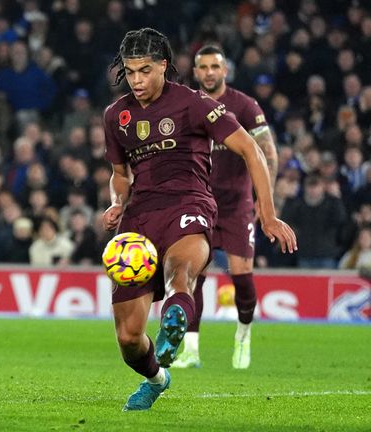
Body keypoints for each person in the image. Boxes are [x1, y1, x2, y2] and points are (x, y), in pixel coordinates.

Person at [102, 28, 296, 411]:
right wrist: (115, 201)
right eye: (130, 72)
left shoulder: (194, 103)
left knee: (181, 274)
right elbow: (120, 174)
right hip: (139, 218)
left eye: (145, 71)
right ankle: (157, 378)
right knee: (128, 338)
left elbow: (251, 151)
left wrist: (268, 214)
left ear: (164, 66)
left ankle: (176, 318)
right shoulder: (115, 115)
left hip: (189, 203)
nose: (137, 80)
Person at [172, 45, 279, 370]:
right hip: (199, 201)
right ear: (196, 72)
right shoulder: (188, 105)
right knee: (194, 275)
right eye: (202, 67)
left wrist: (265, 198)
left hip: (236, 204)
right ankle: (191, 350)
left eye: (214, 66)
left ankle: (243, 335)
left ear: (224, 70)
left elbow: (268, 154)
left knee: (242, 276)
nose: (208, 72)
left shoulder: (244, 106)